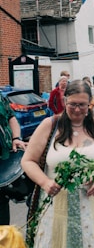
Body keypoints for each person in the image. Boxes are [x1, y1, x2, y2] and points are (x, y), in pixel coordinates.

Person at [21, 80, 94, 247]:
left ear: (90, 103)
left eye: (82, 105)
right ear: (64, 101)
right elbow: (28, 161)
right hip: (56, 210)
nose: (77, 109)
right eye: (73, 104)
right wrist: (45, 182)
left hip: (89, 210)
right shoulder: (50, 125)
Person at [0, 95, 26, 225]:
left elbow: (11, 117)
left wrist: (16, 138)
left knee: (2, 209)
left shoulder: (1, 98)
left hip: (4, 159)